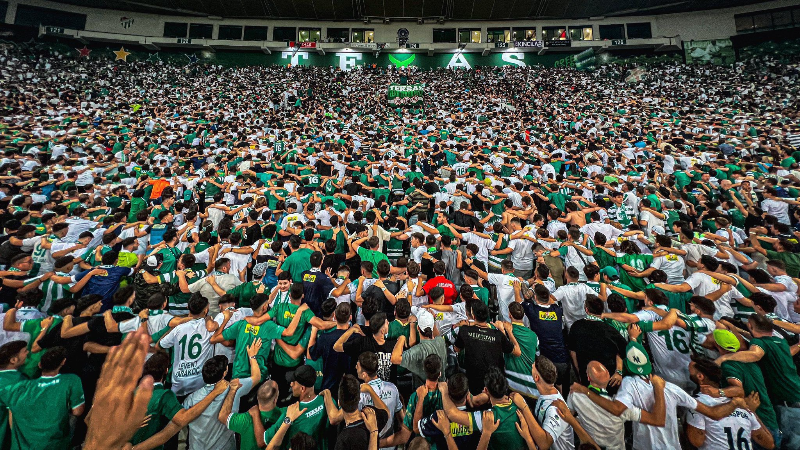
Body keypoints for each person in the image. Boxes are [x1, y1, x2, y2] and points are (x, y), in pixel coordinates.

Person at [0, 347, 84, 450]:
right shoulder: (71, 380)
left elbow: (10, 408)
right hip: (55, 443)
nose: (27, 353)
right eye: (25, 351)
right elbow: (77, 411)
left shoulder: (22, 386)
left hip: (25, 444)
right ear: (63, 362)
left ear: (40, 365)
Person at [686, 356, 775, 450]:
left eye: (689, 370)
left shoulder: (697, 404)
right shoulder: (742, 405)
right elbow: (769, 443)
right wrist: (751, 411)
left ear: (700, 376)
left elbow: (697, 441)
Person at [454, 301, 519, 395]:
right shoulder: (498, 334)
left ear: (474, 316)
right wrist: (508, 331)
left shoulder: (464, 330)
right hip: (496, 386)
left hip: (474, 385)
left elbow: (457, 349)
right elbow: (517, 351)